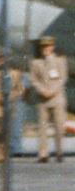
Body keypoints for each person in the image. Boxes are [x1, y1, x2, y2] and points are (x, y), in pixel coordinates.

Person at [30, 34, 68, 164]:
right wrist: (43, 91)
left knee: (59, 126)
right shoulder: (36, 63)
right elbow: (34, 80)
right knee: (42, 127)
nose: (46, 48)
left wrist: (52, 91)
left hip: (57, 98)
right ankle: (43, 154)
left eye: (48, 46)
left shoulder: (60, 61)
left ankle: (59, 152)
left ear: (52, 47)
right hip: (42, 99)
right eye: (43, 46)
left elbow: (63, 78)